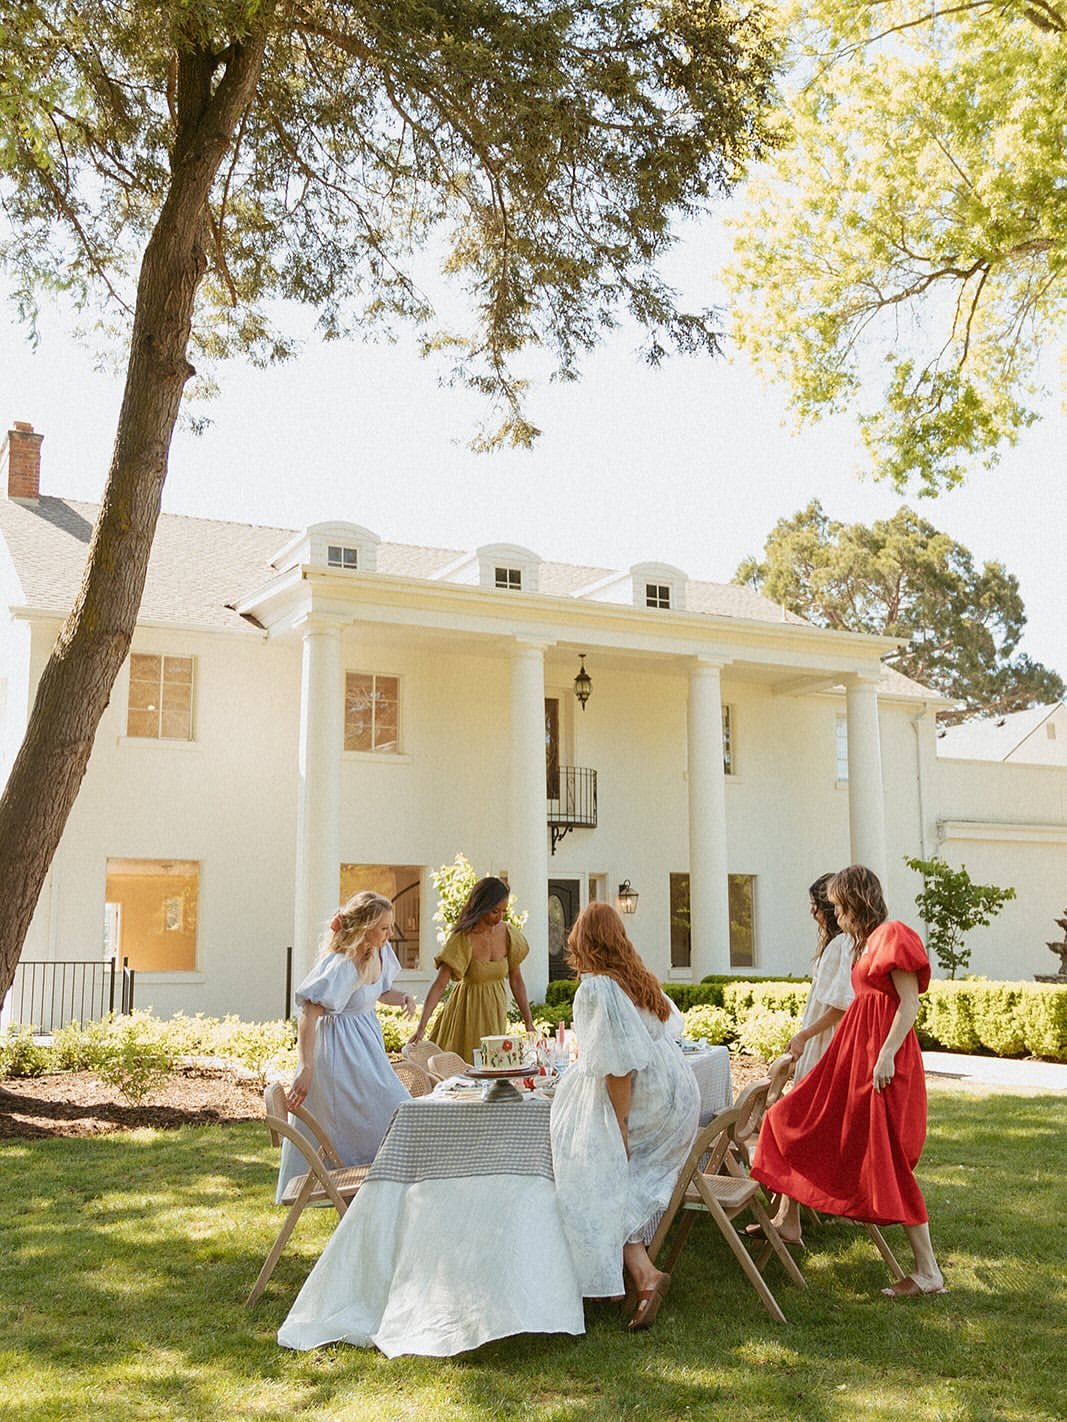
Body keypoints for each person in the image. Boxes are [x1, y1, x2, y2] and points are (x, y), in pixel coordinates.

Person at [751, 864, 946, 1298]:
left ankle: (928, 1272)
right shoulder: (865, 943)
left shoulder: (893, 935)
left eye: (839, 906)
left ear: (857, 901)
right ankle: (789, 1217)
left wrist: (885, 1056)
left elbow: (908, 1004)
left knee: (887, 1156)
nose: (835, 914)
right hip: (856, 1056)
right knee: (791, 1119)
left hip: (883, 1063)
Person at [549, 902, 700, 1330]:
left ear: (583, 940)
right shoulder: (636, 978)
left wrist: (619, 1124)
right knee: (610, 1174)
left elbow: (619, 1066)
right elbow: (670, 1030)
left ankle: (625, 1276)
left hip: (644, 1098)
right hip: (675, 1093)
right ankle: (640, 1275)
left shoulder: (598, 987)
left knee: (594, 1165)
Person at [277, 891, 417, 1202]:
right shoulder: (341, 964)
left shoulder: (378, 954)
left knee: (394, 1110)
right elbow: (308, 1016)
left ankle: (382, 1190)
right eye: (383, 928)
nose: (390, 934)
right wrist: (307, 1066)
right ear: (364, 928)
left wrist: (403, 998)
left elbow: (381, 992)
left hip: (366, 1046)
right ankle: (362, 1186)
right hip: (340, 1052)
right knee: (387, 1111)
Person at [747, 873, 855, 1245]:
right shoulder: (835, 945)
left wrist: (804, 1036)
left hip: (825, 1049)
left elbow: (841, 1005)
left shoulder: (842, 945)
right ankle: (784, 1215)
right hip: (817, 1048)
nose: (812, 911)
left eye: (816, 904)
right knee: (788, 1122)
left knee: (791, 1124)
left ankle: (787, 1218)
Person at [408, 876, 535, 1063]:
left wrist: (528, 1022)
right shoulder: (463, 938)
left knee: (494, 1065)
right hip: (467, 1014)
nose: (499, 917)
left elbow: (516, 980)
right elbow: (439, 984)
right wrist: (421, 1027)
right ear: (481, 905)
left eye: (503, 911)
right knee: (467, 1069)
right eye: (494, 911)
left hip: (495, 1012)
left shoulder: (509, 935)